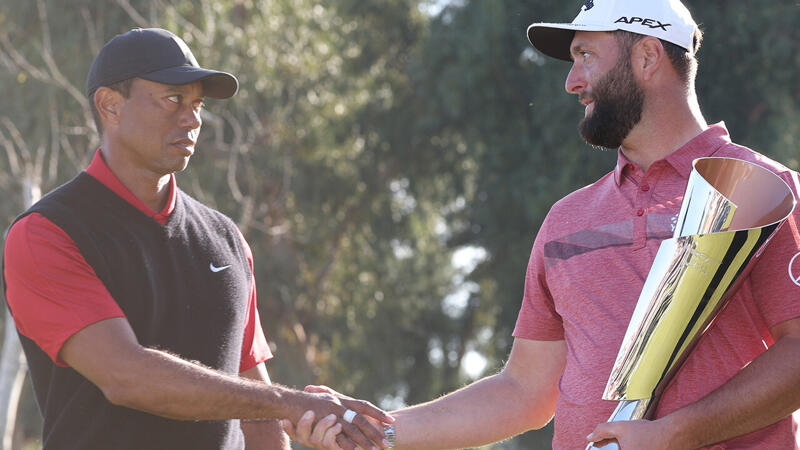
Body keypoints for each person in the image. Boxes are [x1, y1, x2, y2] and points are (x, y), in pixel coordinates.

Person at [287, 1, 800, 448]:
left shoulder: (766, 191)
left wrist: (677, 434)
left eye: (586, 56)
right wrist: (378, 431)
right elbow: (524, 391)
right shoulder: (566, 220)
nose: (572, 81)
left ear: (648, 57)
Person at [1, 27, 393, 450]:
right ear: (110, 105)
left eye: (197, 103)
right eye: (173, 100)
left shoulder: (226, 239)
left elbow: (257, 412)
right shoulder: (46, 234)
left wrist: (285, 407)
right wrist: (289, 402)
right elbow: (125, 376)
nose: (192, 118)